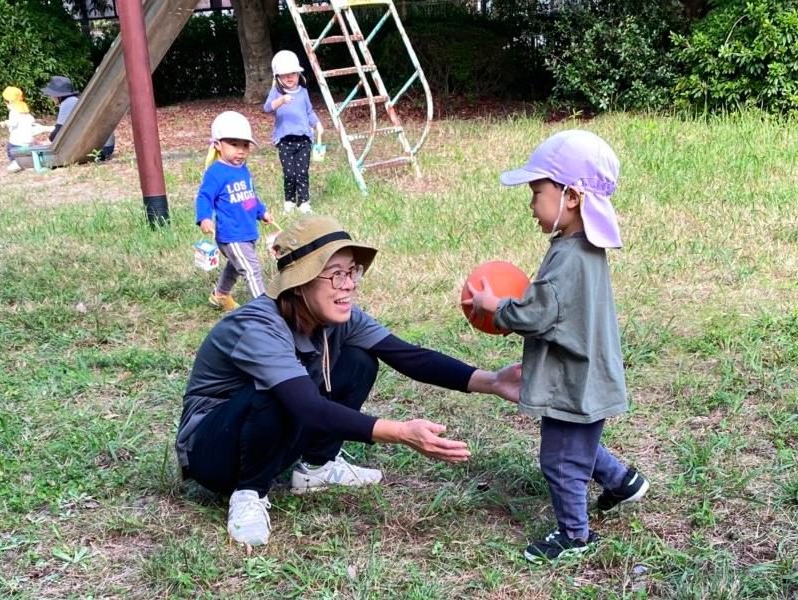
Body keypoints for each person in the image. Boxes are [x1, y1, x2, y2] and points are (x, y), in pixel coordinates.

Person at [176, 215, 521, 548]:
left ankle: (315, 468)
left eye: (352, 272)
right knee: (279, 395)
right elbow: (308, 409)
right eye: (335, 275)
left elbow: (409, 356)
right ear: (299, 282)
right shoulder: (260, 326)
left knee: (359, 360)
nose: (349, 284)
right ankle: (248, 493)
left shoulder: (338, 318)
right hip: (212, 452)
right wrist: (401, 432)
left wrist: (492, 382)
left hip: (265, 436)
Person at [464, 130, 649, 563]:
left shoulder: (569, 256)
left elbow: (538, 314)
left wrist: (496, 307)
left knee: (560, 460)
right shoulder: (582, 246)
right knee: (578, 442)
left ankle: (574, 535)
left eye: (537, 193)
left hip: (574, 378)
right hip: (589, 374)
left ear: (570, 196)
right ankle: (622, 481)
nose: (531, 206)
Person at [196, 110, 273, 312]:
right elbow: (204, 197)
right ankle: (266, 308)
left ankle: (220, 295)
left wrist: (261, 211)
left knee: (236, 265)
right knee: (251, 268)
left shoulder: (242, 169)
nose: (241, 151)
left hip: (247, 231)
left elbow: (249, 197)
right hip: (232, 235)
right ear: (217, 145)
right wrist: (204, 218)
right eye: (234, 144)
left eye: (245, 145)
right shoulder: (216, 173)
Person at [263, 50, 323, 215]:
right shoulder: (277, 93)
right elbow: (267, 108)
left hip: (304, 139)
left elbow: (309, 111)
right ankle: (289, 201)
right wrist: (281, 101)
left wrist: (317, 124)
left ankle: (304, 202)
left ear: (299, 75)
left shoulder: (303, 93)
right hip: (284, 140)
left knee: (302, 172)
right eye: (285, 75)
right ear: (278, 78)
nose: (290, 78)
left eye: (293, 74)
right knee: (289, 173)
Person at [40, 76, 115, 160]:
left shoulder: (68, 103)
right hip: (106, 146)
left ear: (57, 96)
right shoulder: (75, 100)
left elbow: (58, 132)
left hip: (101, 149)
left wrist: (48, 141)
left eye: (52, 95)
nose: (51, 98)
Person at [0, 86, 35, 173]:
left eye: (6, 102)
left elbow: (13, 122)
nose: (6, 104)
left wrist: (5, 123)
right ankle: (26, 161)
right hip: (28, 142)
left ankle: (16, 162)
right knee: (24, 150)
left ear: (11, 102)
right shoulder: (24, 109)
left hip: (17, 142)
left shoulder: (13, 111)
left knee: (9, 148)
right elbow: (31, 120)